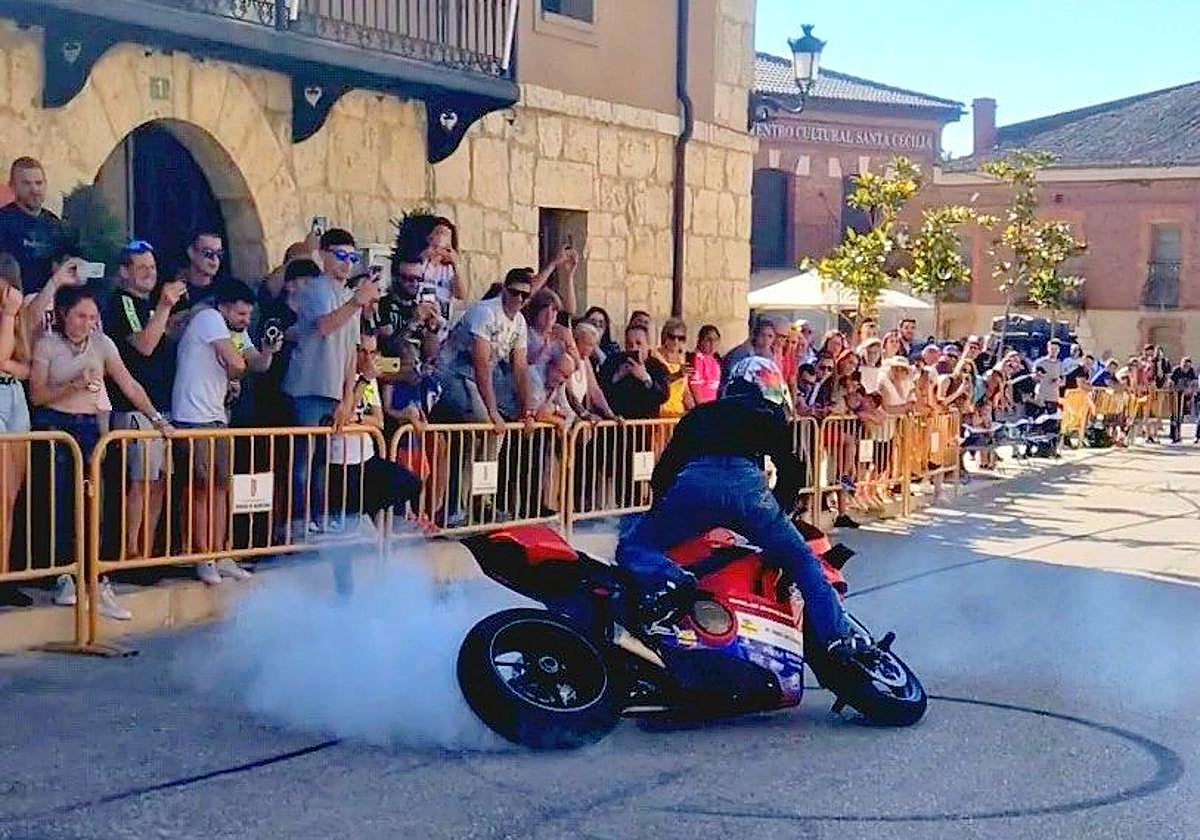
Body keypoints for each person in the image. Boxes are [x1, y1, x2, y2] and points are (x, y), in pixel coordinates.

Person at [615, 355, 879, 671]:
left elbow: (664, 473)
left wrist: (661, 514)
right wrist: (781, 511)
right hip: (748, 489)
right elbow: (792, 468)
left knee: (633, 546)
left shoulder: (699, 414)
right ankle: (837, 640)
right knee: (801, 560)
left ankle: (675, 578)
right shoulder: (767, 414)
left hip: (693, 485)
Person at [31, 284, 172, 619]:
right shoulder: (47, 344)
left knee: (95, 502)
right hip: (57, 427)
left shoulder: (103, 344)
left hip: (93, 427)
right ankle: (65, 577)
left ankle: (98, 578)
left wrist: (156, 419)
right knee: (62, 502)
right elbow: (37, 395)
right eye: (80, 316)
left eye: (93, 317)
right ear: (64, 314)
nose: (87, 323)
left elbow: (129, 384)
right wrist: (70, 386)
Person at [172, 279, 279, 584]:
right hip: (192, 417)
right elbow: (236, 362)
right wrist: (240, 363)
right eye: (242, 315)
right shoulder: (209, 319)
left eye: (248, 316)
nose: (246, 321)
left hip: (217, 417)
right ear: (224, 307)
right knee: (200, 489)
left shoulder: (232, 330)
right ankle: (200, 555)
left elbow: (255, 364)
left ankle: (220, 552)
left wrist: (268, 351)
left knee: (221, 488)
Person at [283, 228, 380, 534]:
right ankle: (297, 522)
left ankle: (318, 521)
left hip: (333, 392)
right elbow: (324, 326)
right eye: (340, 255)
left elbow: (352, 353)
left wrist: (348, 397)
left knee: (323, 463)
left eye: (352, 258)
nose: (346, 263)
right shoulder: (314, 289)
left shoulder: (348, 297)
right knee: (302, 463)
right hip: (307, 388)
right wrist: (356, 303)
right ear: (324, 255)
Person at [104, 240, 186, 560]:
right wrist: (165, 307)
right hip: (137, 410)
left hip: (161, 409)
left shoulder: (148, 304)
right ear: (125, 272)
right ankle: (130, 551)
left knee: (159, 483)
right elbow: (144, 346)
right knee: (140, 482)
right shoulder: (122, 302)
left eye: (153, 268)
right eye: (142, 268)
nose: (150, 274)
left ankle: (148, 549)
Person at [0, 253, 30, 605]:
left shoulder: (18, 317)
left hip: (15, 398)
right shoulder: (10, 315)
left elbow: (25, 366)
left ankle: (6, 572)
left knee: (10, 496)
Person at [0, 158, 65, 293]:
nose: (34, 189)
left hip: (50, 305)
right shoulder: (3, 221)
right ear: (12, 186)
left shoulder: (54, 223)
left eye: (39, 183)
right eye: (26, 183)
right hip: (13, 306)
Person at [599, 323, 669, 420]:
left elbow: (663, 395)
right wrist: (618, 376)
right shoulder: (613, 361)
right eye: (629, 344)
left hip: (645, 427)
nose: (634, 348)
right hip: (616, 425)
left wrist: (645, 378)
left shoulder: (657, 366)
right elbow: (600, 390)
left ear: (647, 345)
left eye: (639, 343)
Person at [651, 318, 695, 419]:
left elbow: (685, 391)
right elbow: (657, 383)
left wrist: (695, 411)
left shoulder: (682, 358)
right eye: (672, 337)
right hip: (661, 414)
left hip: (678, 413)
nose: (676, 341)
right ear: (665, 336)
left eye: (681, 338)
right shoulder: (654, 356)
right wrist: (677, 375)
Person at [688, 324, 722, 406]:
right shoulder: (697, 359)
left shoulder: (715, 359)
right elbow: (696, 389)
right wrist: (703, 410)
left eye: (716, 339)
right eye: (708, 340)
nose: (712, 343)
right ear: (700, 341)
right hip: (704, 407)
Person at [1168, 357, 1197, 444]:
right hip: (1175, 395)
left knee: (1181, 416)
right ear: (1182, 364)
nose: (1186, 368)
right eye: (1185, 365)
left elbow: (1194, 382)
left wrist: (1190, 389)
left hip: (1185, 396)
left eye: (1188, 366)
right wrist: (1174, 388)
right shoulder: (1176, 370)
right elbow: (1171, 381)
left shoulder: (1191, 371)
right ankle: (1174, 435)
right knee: (1174, 415)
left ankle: (1178, 434)